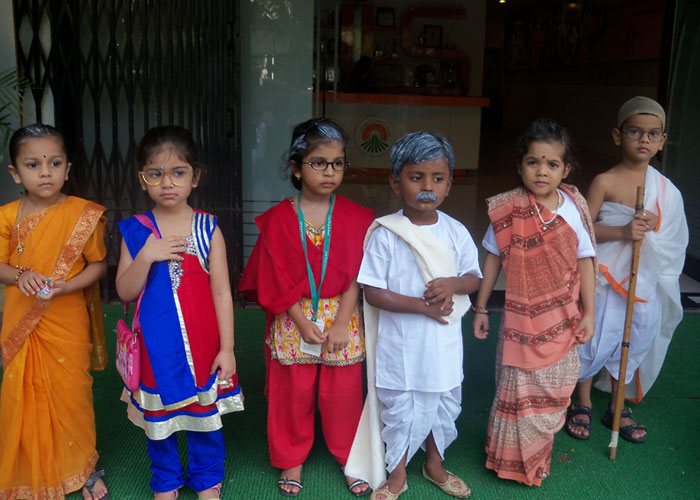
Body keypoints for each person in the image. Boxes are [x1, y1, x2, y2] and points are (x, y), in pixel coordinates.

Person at [238, 118, 374, 498]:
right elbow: (271, 277)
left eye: (338, 163)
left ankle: (349, 456)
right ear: (296, 168)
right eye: (318, 163)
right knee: (292, 392)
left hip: (342, 317)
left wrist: (342, 322)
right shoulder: (278, 220)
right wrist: (299, 321)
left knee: (344, 393)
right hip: (293, 316)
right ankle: (291, 458)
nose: (330, 172)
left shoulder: (357, 217)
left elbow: (358, 276)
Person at [348, 131, 482, 500]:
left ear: (449, 185)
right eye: (416, 177)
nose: (427, 187)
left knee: (443, 403)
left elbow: (474, 278)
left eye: (437, 178)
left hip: (443, 342)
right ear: (396, 183)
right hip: (401, 344)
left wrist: (452, 284)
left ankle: (434, 464)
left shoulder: (455, 232)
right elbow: (373, 293)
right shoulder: (386, 234)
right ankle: (398, 473)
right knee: (400, 409)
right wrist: (422, 307)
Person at [115, 126, 243, 500]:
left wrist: (228, 348)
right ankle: (166, 480)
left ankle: (207, 477)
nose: (167, 183)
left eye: (178, 172)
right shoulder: (135, 231)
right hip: (154, 349)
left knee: (205, 415)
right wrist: (146, 255)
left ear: (194, 177)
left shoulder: (207, 228)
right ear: (142, 179)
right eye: (155, 174)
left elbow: (222, 292)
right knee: (158, 417)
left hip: (204, 346)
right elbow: (125, 290)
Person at [472, 119, 597, 486]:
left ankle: (538, 451)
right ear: (519, 165)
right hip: (521, 322)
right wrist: (481, 308)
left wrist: (590, 312)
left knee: (556, 389)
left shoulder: (574, 206)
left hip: (564, 317)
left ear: (566, 169)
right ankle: (512, 459)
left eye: (552, 164)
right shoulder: (508, 209)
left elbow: (586, 262)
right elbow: (492, 259)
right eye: (533, 162)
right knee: (519, 388)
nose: (542, 171)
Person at [566, 97, 688, 443]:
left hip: (644, 278)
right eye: (635, 132)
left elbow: (673, 237)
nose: (644, 139)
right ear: (618, 136)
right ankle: (583, 401)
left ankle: (617, 405)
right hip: (606, 277)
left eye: (653, 134)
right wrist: (622, 232)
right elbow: (582, 232)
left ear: (662, 141)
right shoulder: (604, 181)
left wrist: (655, 223)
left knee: (635, 338)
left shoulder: (666, 190)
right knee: (595, 336)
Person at [0, 124, 109, 499]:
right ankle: (27, 469)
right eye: (33, 164)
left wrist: (68, 285)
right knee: (22, 394)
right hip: (23, 320)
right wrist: (20, 275)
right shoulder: (7, 217)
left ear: (67, 168)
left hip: (67, 318)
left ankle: (84, 470)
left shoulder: (83, 215)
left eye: (54, 163)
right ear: (15, 172)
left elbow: (98, 265)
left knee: (72, 394)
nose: (45, 172)